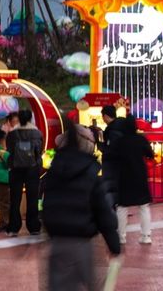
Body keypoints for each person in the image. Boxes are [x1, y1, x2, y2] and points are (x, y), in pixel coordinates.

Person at [43, 122, 121, 291]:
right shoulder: (89, 171)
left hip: (57, 242)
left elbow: (47, 206)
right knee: (93, 285)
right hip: (82, 242)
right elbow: (102, 212)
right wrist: (114, 244)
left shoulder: (54, 170)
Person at [106, 116, 154, 244]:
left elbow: (110, 155)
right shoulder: (141, 139)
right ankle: (146, 236)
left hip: (124, 177)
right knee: (144, 206)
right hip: (140, 176)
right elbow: (150, 154)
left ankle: (121, 237)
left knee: (122, 207)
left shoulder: (119, 142)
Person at [5, 108, 43, 236]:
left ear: (19, 119)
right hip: (32, 169)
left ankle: (13, 227)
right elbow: (39, 151)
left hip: (16, 169)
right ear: (30, 118)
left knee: (15, 198)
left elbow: (9, 150)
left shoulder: (12, 134)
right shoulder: (37, 133)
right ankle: (34, 227)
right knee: (32, 197)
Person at [96, 105, 125, 204]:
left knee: (110, 187)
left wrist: (100, 145)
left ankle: (113, 206)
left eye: (103, 117)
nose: (103, 119)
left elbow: (110, 149)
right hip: (119, 164)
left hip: (111, 164)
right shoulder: (119, 127)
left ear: (105, 116)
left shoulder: (112, 131)